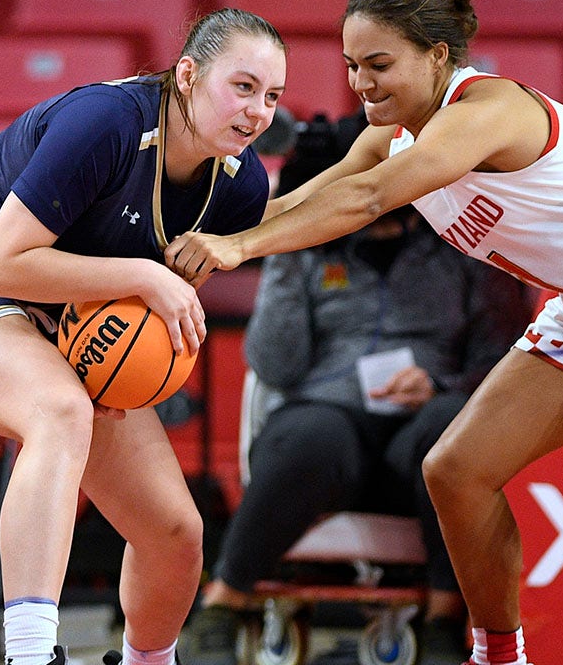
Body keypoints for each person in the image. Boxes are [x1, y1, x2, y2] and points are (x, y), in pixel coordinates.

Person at [165, 0, 563, 665]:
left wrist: (238, 250)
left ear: (438, 56)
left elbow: (367, 201)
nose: (361, 84)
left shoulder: (489, 108)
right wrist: (195, 235)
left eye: (379, 64)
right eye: (352, 65)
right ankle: (497, 654)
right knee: (454, 470)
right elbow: (305, 203)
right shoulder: (388, 137)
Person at [0, 8, 286, 665]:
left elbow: (137, 314)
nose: (257, 112)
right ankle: (30, 655)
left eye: (272, 97)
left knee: (174, 533)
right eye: (244, 87)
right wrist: (144, 275)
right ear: (189, 75)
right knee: (58, 410)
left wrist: (117, 361)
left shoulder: (239, 186)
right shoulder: (105, 122)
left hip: (49, 304)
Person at [180, 111, 533, 665]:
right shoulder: (311, 249)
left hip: (420, 435)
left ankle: (444, 623)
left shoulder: (463, 249)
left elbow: (504, 355)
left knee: (449, 427)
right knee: (312, 433)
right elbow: (275, 366)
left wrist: (441, 383)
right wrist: (287, 249)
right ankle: (221, 606)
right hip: (330, 427)